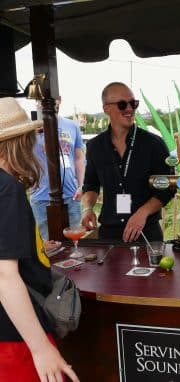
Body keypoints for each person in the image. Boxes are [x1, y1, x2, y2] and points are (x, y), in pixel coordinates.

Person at [0, 97, 79, 382]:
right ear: (20, 142)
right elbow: (5, 277)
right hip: (14, 336)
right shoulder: (6, 188)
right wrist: (40, 347)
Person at [81, 82, 175, 241]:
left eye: (133, 103)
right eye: (122, 104)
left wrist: (142, 212)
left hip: (146, 232)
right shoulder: (95, 146)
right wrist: (88, 208)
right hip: (109, 233)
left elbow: (167, 188)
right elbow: (91, 185)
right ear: (106, 109)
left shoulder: (154, 144)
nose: (130, 109)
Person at [30, 97, 85, 240]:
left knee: (74, 243)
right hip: (41, 198)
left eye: (52, 99)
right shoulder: (30, 129)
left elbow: (78, 158)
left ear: (59, 100)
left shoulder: (72, 126)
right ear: (37, 103)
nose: (45, 103)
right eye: (40, 100)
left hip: (71, 196)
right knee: (48, 246)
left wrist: (81, 185)